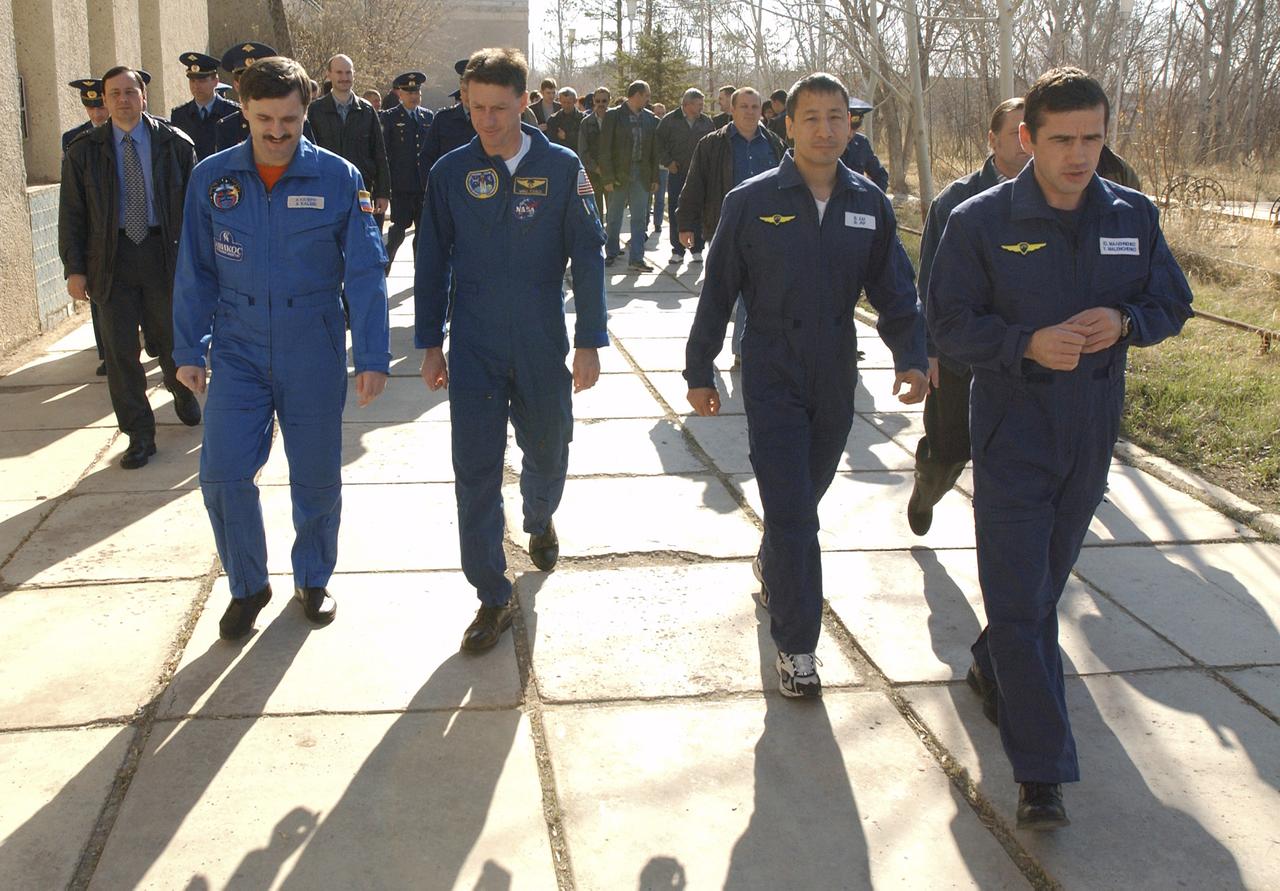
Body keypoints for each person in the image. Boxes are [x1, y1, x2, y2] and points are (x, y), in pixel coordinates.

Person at [927, 67, 1193, 830]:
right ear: (1026, 139)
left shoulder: (1133, 214)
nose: (1080, 155)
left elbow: (1172, 300)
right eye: (1062, 139)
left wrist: (1126, 320)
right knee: (1019, 600)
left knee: (1038, 591)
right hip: (1014, 429)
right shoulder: (979, 222)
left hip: (1092, 427)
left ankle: (992, 661)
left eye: (1093, 138)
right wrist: (1024, 343)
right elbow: (946, 323)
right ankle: (1041, 771)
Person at [684, 72, 927, 698]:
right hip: (770, 367)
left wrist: (912, 356)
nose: (825, 129)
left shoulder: (867, 203)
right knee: (796, 515)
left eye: (836, 117)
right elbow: (719, 292)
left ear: (851, 125)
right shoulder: (751, 199)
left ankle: (776, 560)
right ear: (786, 126)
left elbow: (896, 289)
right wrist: (699, 368)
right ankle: (797, 647)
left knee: (802, 501)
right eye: (811, 117)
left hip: (834, 370)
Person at [172, 55, 390, 641]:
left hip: (312, 345)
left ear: (305, 112)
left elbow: (366, 272)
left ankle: (312, 578)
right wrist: (188, 348)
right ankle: (248, 585)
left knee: (316, 477)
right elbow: (194, 267)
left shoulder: (339, 179)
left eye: (289, 119)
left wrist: (371, 357)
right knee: (221, 475)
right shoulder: (212, 178)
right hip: (238, 348)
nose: (276, 132)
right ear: (242, 108)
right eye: (264, 117)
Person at [415, 47, 606, 653]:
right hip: (473, 344)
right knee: (473, 469)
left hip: (541, 336)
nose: (488, 121)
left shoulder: (562, 165)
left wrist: (590, 342)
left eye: (500, 108)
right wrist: (429, 343)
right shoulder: (449, 172)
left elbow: (591, 256)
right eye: (477, 108)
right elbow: (431, 259)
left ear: (526, 102)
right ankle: (491, 595)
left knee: (548, 449)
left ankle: (540, 514)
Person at [59, 66, 201, 469]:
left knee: (171, 341)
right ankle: (139, 434)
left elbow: (197, 209)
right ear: (104, 100)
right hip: (110, 261)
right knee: (121, 355)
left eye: (129, 92)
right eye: (114, 93)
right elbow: (71, 214)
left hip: (163, 255)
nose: (122, 99)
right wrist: (75, 268)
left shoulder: (175, 144)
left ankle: (181, 388)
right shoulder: (84, 151)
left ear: (143, 97)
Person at [907, 97, 1029, 536]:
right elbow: (931, 285)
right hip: (962, 356)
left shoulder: (1060, 199)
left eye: (1030, 129)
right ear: (992, 139)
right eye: (1014, 132)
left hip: (1025, 359)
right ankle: (927, 487)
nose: (1024, 141)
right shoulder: (956, 202)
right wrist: (930, 352)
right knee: (948, 453)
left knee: (1013, 464)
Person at [678, 86, 785, 362]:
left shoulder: (774, 144)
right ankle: (702, 351)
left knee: (756, 290)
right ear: (732, 110)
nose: (750, 112)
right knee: (719, 294)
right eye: (744, 107)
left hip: (767, 230)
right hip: (726, 228)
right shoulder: (712, 145)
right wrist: (686, 223)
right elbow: (694, 186)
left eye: (754, 107)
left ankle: (743, 350)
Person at [62, 78, 112, 376]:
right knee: (100, 297)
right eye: (90, 107)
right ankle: (108, 353)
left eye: (100, 105)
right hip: (95, 232)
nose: (97, 114)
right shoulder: (74, 139)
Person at [307, 54, 391, 226]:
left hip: (361, 189)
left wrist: (382, 193)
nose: (344, 78)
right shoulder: (316, 110)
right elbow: (308, 152)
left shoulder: (367, 111)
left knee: (362, 238)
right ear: (329, 75)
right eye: (339, 73)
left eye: (348, 73)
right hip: (327, 189)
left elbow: (379, 153)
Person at [599, 80, 660, 270]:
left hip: (641, 174)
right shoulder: (613, 116)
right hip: (618, 175)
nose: (649, 99)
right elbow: (604, 149)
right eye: (647, 95)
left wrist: (655, 178)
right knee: (615, 216)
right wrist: (607, 178)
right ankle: (611, 252)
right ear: (637, 95)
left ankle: (636, 258)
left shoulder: (651, 119)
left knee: (640, 217)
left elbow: (654, 153)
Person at [214, 42, 315, 151]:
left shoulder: (294, 118)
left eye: (260, 81)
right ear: (237, 85)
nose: (277, 132)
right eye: (264, 118)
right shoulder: (228, 126)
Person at [379, 71, 434, 269]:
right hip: (401, 187)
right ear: (400, 94)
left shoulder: (428, 117)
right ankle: (383, 267)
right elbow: (384, 154)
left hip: (423, 187)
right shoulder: (390, 118)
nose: (414, 96)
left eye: (417, 92)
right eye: (409, 92)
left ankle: (421, 274)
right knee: (398, 232)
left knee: (422, 235)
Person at [655, 88, 713, 264]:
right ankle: (678, 250)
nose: (702, 107)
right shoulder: (670, 120)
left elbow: (714, 145)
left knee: (699, 210)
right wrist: (668, 162)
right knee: (676, 210)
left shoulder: (706, 122)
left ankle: (697, 248)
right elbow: (658, 143)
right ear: (687, 105)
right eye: (698, 104)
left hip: (700, 175)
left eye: (702, 104)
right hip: (677, 173)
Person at [169, 52, 241, 161]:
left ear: (215, 81)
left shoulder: (233, 112)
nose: (196, 86)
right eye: (192, 81)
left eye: (202, 80)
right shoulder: (179, 115)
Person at [419, 59, 477, 174]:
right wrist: (432, 189)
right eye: (465, 90)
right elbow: (427, 158)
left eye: (473, 91)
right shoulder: (443, 119)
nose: (469, 96)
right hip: (449, 188)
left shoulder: (492, 120)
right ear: (460, 88)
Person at [839, 98, 889, 192]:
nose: (850, 134)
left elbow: (880, 176)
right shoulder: (825, 144)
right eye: (847, 128)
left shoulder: (861, 143)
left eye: (855, 128)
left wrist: (872, 201)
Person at [577, 86, 610, 217]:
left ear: (609, 101)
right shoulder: (586, 122)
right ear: (594, 101)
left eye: (604, 101)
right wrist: (596, 168)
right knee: (596, 211)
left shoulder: (615, 120)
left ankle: (612, 237)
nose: (601, 104)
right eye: (598, 101)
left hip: (612, 173)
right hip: (593, 173)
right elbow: (582, 150)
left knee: (613, 211)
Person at [546, 86, 584, 155]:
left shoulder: (583, 119)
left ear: (575, 101)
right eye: (564, 102)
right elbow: (551, 144)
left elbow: (584, 141)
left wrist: (567, 137)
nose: (566, 105)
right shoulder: (553, 120)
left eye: (569, 102)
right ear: (559, 101)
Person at [650, 101, 668, 235]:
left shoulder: (668, 128)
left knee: (660, 198)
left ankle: (658, 223)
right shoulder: (650, 127)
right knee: (647, 198)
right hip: (650, 168)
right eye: (658, 113)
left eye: (663, 113)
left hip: (663, 168)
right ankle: (644, 224)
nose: (661, 116)